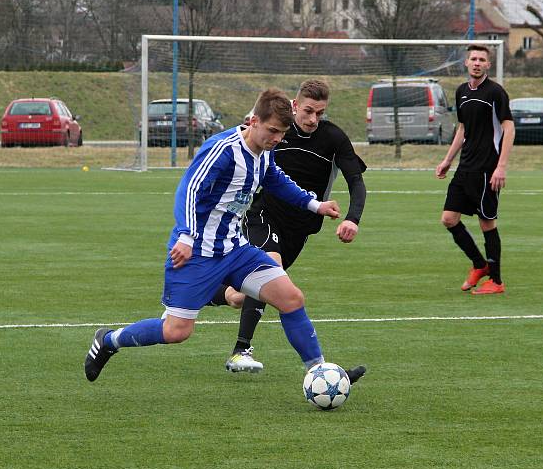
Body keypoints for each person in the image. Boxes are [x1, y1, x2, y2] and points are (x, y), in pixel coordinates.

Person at [84, 87, 365, 383]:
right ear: (253, 121)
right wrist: (185, 236)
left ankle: (321, 372)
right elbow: (189, 191)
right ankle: (109, 340)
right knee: (176, 331)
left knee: (291, 298)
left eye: (282, 133)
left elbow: (278, 181)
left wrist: (315, 204)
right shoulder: (222, 149)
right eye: (272, 131)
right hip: (197, 253)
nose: (277, 139)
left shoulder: (264, 154)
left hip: (235, 250)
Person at [209, 79, 367, 375]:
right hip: (263, 215)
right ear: (295, 105)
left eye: (320, 113)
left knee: (240, 296)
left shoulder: (334, 138)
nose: (313, 119)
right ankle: (241, 351)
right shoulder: (275, 130)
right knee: (270, 268)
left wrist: (352, 218)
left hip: (300, 229)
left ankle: (208, 291)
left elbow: (356, 182)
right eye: (308, 111)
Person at [435, 44, 515, 295]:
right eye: (473, 59)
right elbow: (462, 129)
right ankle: (480, 265)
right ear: (466, 63)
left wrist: (501, 166)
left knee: (487, 223)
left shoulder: (496, 93)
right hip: (465, 167)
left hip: (486, 169)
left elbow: (509, 128)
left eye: (482, 59)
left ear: (488, 65)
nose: (477, 62)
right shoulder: (461, 92)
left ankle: (497, 281)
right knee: (449, 219)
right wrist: (448, 159)